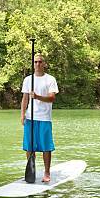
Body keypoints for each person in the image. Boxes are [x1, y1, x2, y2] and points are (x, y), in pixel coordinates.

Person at [20, 54, 59, 183]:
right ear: (33, 64)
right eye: (35, 62)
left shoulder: (50, 79)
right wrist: (22, 115)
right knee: (29, 146)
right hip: (30, 117)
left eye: (40, 62)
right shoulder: (28, 80)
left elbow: (52, 98)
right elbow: (25, 98)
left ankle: (47, 172)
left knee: (46, 146)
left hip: (44, 118)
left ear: (44, 64)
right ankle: (31, 170)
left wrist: (37, 97)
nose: (37, 64)